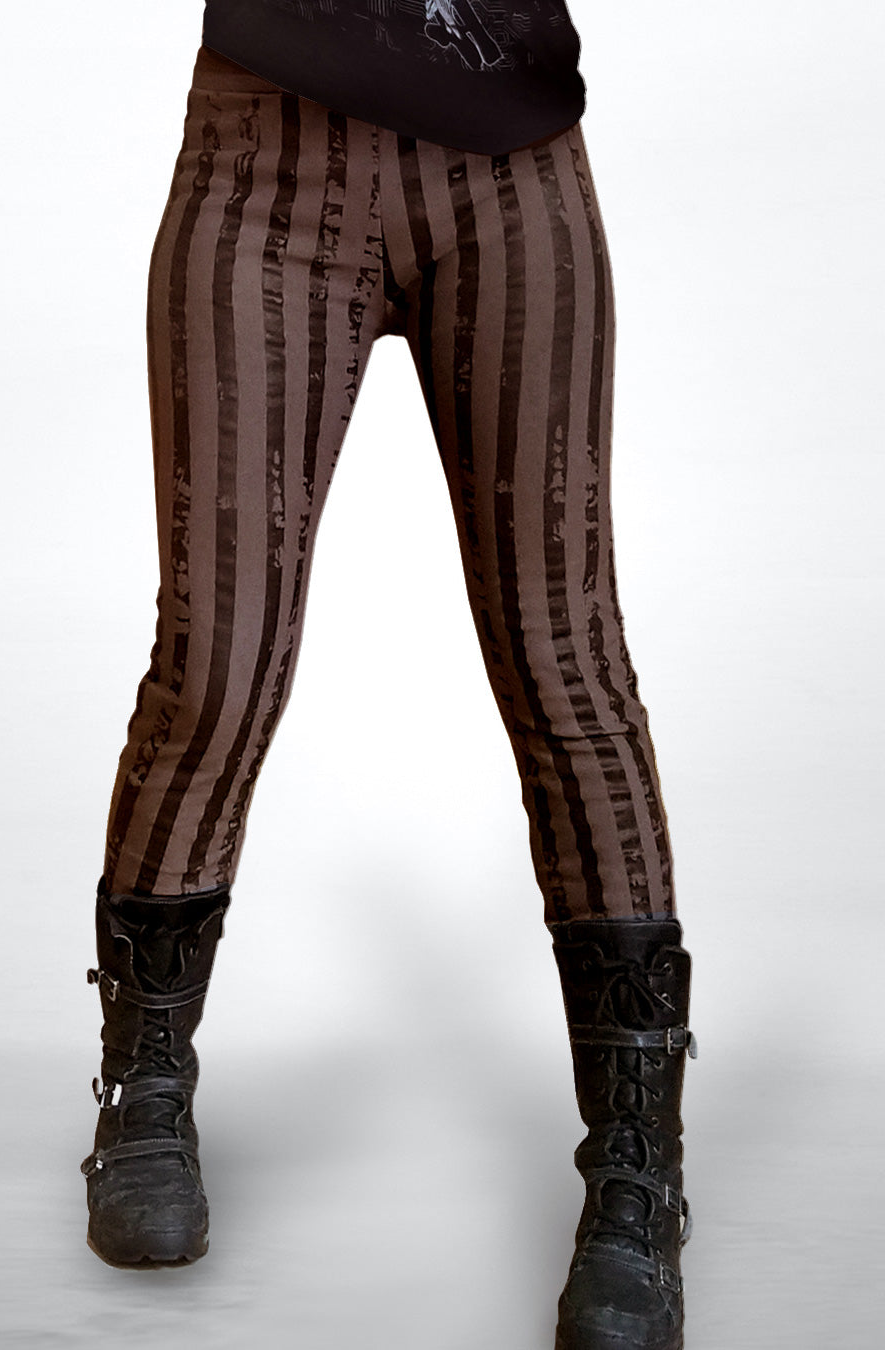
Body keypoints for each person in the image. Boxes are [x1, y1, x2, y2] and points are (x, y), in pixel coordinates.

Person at [80, 5, 697, 1347]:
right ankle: (144, 1090)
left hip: (511, 162)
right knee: (219, 658)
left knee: (565, 659)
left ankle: (640, 1173)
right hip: (266, 158)